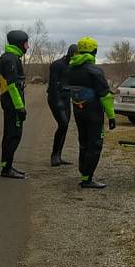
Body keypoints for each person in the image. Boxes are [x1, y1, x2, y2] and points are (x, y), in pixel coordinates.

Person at [67, 36, 116, 189]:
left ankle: (84, 172)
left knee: (83, 142)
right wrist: (111, 115)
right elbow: (105, 95)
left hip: (78, 110)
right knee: (95, 144)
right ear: (94, 51)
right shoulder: (95, 70)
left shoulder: (71, 68)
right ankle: (87, 179)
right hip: (93, 112)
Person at [0, 30, 29, 179]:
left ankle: (7, 165)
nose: (27, 47)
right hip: (12, 103)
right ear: (19, 43)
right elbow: (12, 85)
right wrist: (20, 107)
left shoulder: (12, 57)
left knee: (10, 135)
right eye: (26, 43)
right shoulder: (10, 59)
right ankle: (6, 169)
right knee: (13, 135)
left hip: (10, 101)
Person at [47, 43, 78, 166]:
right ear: (70, 53)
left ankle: (58, 155)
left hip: (66, 98)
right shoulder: (57, 65)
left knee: (65, 127)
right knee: (63, 124)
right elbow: (53, 85)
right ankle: (54, 155)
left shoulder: (74, 66)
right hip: (55, 98)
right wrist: (58, 101)